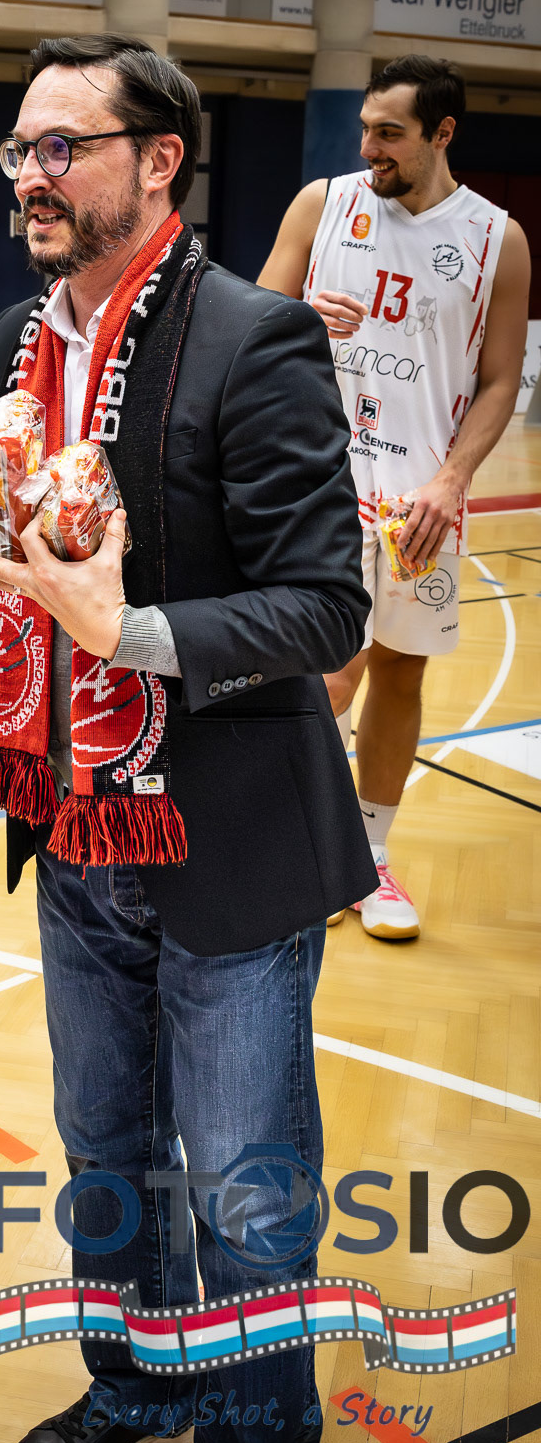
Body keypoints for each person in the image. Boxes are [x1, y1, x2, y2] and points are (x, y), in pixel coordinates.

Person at [0, 33, 375, 1443]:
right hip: (72, 825)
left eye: (61, 148)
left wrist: (127, 631)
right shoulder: (12, 340)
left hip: (229, 838)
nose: (27, 177)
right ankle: (132, 1388)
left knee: (244, 1189)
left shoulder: (254, 338)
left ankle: (258, 1428)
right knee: (104, 1151)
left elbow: (326, 605)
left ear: (159, 162)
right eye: (18, 150)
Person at [258, 55, 528, 940]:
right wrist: (300, 319)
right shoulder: (322, 205)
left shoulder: (497, 240)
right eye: (366, 129)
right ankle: (301, 843)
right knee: (326, 672)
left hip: (421, 502)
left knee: (400, 672)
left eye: (390, 133)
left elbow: (500, 380)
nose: (368, 147)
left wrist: (452, 481)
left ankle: (369, 858)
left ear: (442, 134)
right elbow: (250, 324)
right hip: (317, 484)